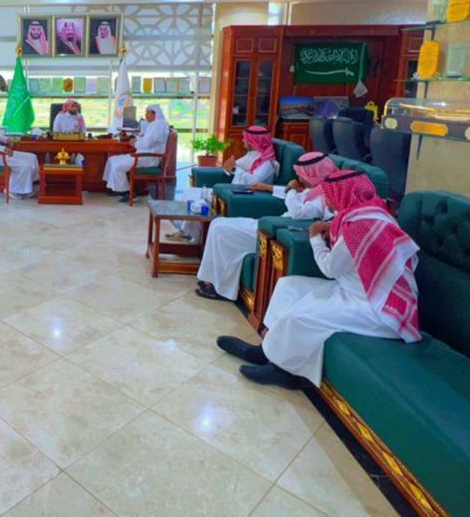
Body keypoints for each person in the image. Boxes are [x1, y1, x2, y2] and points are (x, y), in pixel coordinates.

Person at [216, 170, 420, 388]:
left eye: (329, 195)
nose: (326, 200)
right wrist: (331, 227)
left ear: (343, 196)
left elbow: (329, 268)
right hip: (355, 290)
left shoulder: (359, 228)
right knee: (288, 286)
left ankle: (284, 372)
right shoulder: (370, 212)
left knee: (298, 317)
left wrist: (315, 239)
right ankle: (267, 350)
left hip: (378, 308)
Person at [193, 153, 337, 301]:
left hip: (276, 229)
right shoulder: (316, 189)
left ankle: (221, 289)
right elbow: (295, 195)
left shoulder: (324, 195)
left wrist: (291, 190)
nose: (299, 178)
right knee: (217, 223)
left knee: (221, 230)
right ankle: (212, 279)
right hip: (273, 223)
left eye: (302, 174)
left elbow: (298, 211)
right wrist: (270, 188)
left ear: (313, 175)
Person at [103, 104, 169, 202]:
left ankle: (128, 192)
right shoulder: (156, 124)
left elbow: (148, 143)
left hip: (148, 158)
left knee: (118, 166)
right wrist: (136, 140)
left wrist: (135, 144)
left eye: (148, 113)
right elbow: (146, 139)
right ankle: (116, 188)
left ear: (155, 114)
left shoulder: (158, 126)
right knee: (112, 159)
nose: (146, 115)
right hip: (143, 155)